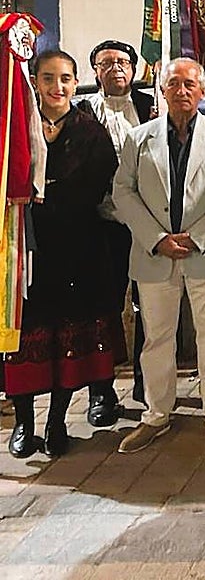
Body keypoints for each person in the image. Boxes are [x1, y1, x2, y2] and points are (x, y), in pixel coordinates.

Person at [112, 58, 205, 453]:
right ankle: (156, 414)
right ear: (162, 90)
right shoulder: (138, 138)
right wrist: (157, 239)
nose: (182, 91)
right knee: (156, 338)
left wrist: (197, 238)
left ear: (203, 91)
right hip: (155, 255)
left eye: (190, 84)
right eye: (173, 83)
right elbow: (123, 191)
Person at [2, 50, 118, 458]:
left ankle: (56, 422)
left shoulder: (90, 132)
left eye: (65, 78)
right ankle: (23, 423)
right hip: (25, 247)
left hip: (76, 250)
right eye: (48, 78)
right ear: (34, 81)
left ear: (75, 81)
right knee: (24, 337)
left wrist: (48, 194)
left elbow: (99, 186)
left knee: (66, 339)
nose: (57, 86)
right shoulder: (16, 128)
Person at [78, 39, 156, 418]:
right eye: (106, 63)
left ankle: (147, 383)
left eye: (122, 62)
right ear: (95, 71)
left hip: (147, 225)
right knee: (103, 307)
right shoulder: (82, 113)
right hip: (102, 226)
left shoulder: (152, 105)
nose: (116, 68)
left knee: (150, 306)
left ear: (134, 68)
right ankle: (101, 392)